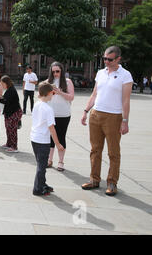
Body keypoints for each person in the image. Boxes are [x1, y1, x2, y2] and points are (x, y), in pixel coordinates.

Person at [81, 46, 133, 196]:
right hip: (96, 114)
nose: (106, 62)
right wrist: (85, 111)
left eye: (110, 59)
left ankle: (112, 182)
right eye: (104, 58)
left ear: (118, 59)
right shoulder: (100, 73)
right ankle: (94, 179)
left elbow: (126, 100)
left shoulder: (125, 75)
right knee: (95, 150)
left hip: (114, 117)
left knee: (113, 152)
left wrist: (125, 120)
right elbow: (94, 94)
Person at [31, 82, 65, 196]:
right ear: (49, 93)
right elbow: (52, 129)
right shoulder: (48, 109)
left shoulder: (37, 104)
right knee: (42, 166)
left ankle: (42, 184)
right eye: (53, 93)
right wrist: (58, 144)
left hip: (34, 138)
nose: (53, 96)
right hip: (42, 140)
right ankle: (38, 189)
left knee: (41, 164)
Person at [46, 62, 75, 171]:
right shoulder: (49, 82)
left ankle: (61, 161)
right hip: (51, 114)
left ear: (62, 71)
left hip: (63, 114)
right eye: (53, 72)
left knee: (61, 137)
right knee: (51, 138)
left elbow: (71, 97)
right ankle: (49, 160)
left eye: (57, 71)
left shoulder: (67, 82)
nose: (55, 74)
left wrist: (60, 93)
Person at [0, 75, 23, 153]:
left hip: (14, 112)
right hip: (9, 112)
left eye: (2, 84)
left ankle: (14, 147)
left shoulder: (11, 90)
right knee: (8, 128)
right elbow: (5, 99)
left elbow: (6, 101)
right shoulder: (9, 89)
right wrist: (0, 97)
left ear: (6, 83)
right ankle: (9, 144)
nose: (2, 85)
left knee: (12, 129)